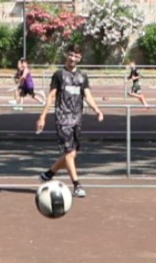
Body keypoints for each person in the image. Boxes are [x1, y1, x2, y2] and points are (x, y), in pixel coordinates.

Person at [39, 46, 106, 197]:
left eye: (76, 56)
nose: (73, 58)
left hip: (77, 119)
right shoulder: (59, 75)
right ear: (66, 55)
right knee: (69, 153)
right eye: (71, 55)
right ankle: (77, 185)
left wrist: (97, 110)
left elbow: (88, 96)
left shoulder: (82, 76)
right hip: (63, 119)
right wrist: (43, 116)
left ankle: (48, 174)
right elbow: (51, 96)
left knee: (72, 154)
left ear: (80, 58)